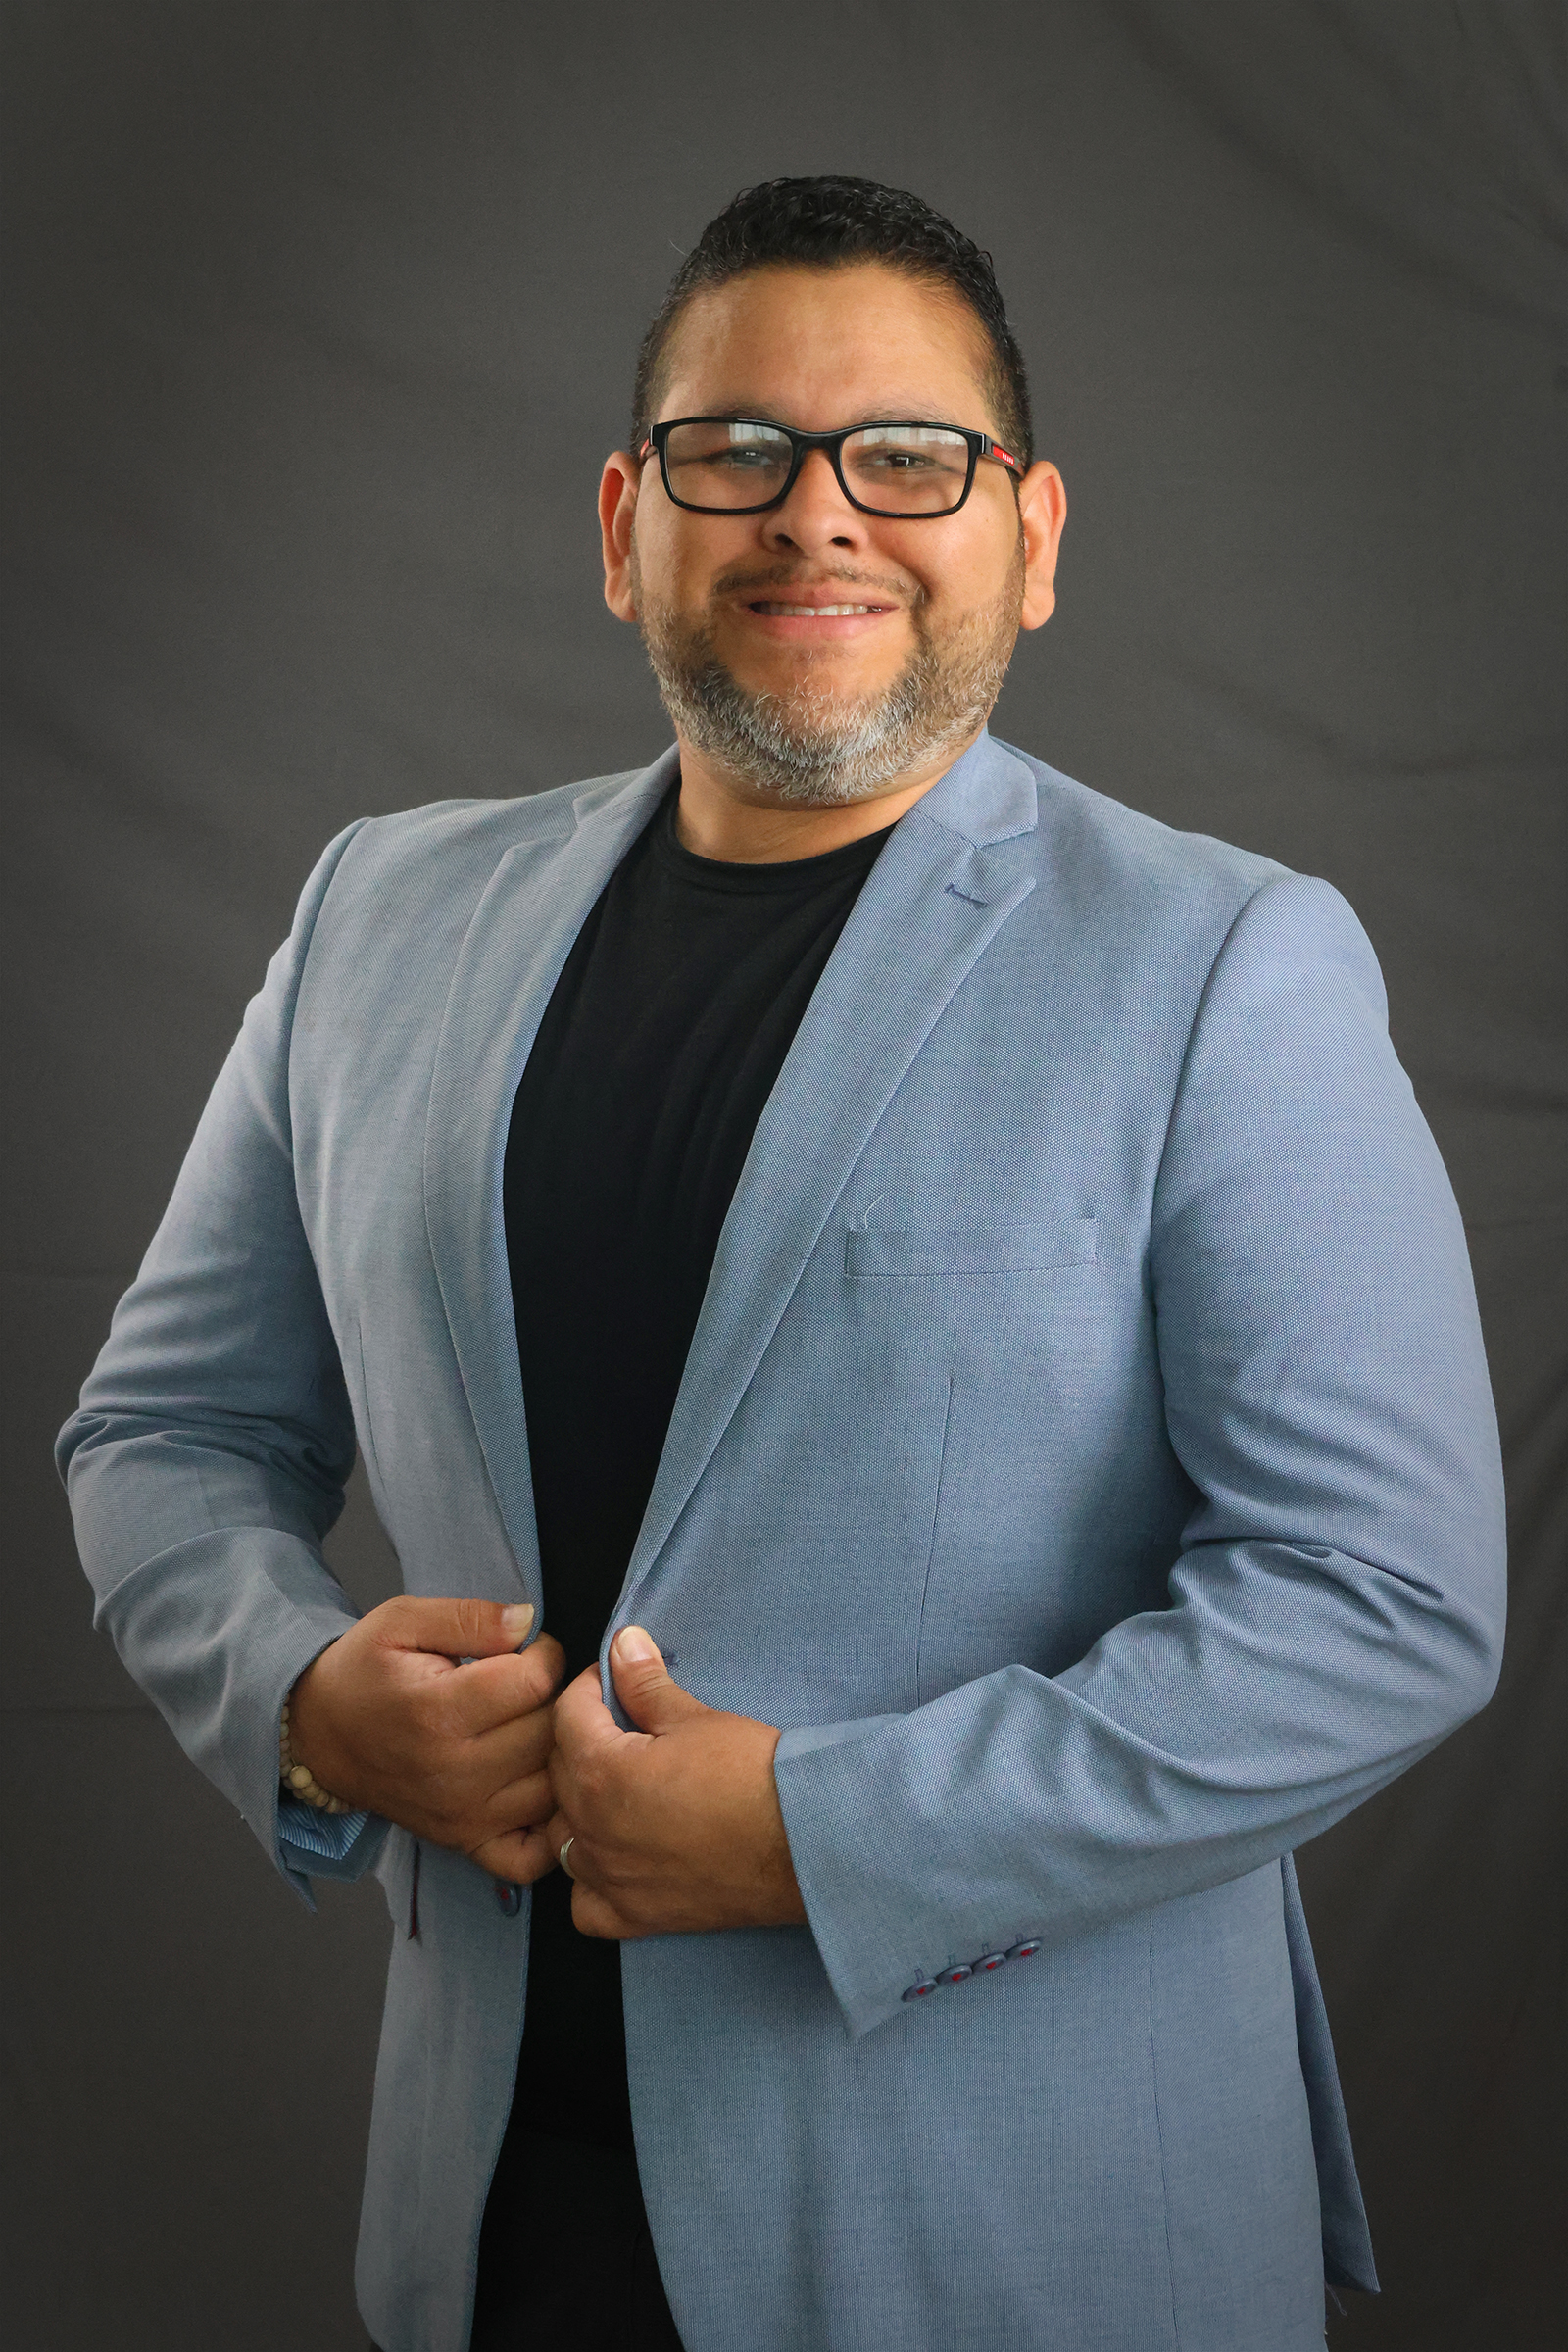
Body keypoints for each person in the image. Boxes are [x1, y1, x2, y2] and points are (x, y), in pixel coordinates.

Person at [58, 175, 1505, 2352]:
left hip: (1012, 2248)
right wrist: (301, 1703)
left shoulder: (1226, 965)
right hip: (488, 2225)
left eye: (906, 456)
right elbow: (164, 1429)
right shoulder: (376, 916)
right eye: (735, 449)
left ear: (1030, 537)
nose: (815, 512)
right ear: (623, 521)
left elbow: (1380, 1600)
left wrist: (826, 1839)